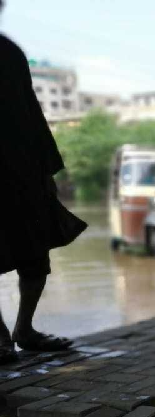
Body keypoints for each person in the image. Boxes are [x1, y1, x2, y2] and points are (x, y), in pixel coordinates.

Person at [0, 23, 87, 364]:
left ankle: (24, 329)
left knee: (35, 255)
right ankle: (1, 337)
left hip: (22, 167)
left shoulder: (9, 53)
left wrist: (47, 170)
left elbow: (32, 111)